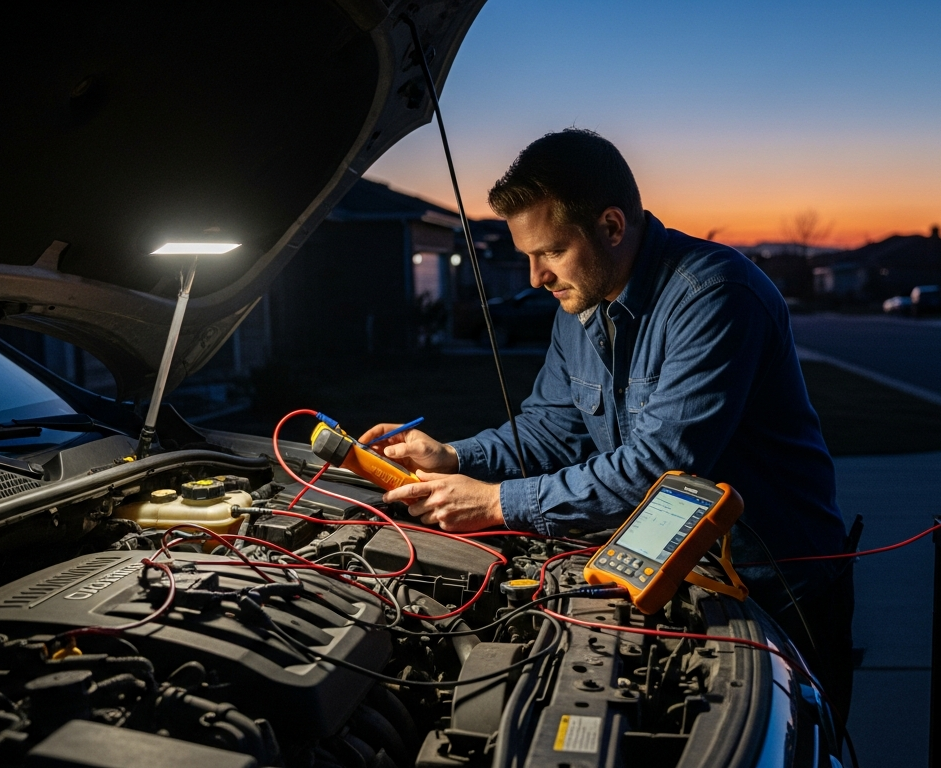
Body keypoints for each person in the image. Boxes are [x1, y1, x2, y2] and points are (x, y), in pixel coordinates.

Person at [359, 128, 854, 722]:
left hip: (774, 584)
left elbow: (663, 469)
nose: (537, 277)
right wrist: (455, 458)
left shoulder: (717, 294)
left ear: (613, 227)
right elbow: (549, 430)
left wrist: (496, 503)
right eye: (527, 257)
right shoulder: (580, 303)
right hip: (662, 569)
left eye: (551, 252)